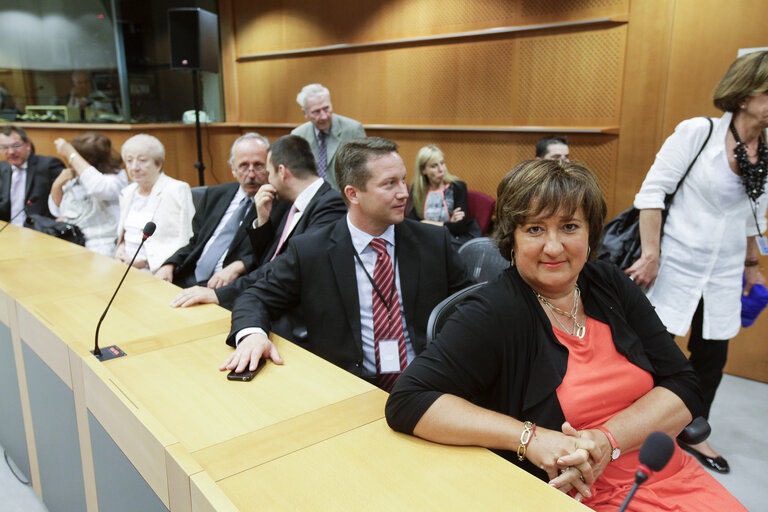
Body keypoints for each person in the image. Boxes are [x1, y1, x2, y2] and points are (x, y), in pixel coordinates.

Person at [386, 159, 746, 511]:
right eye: (535, 229)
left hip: (668, 474)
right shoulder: (494, 310)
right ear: (511, 238)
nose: (554, 247)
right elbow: (409, 401)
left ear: (591, 234)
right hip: (577, 493)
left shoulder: (610, 284)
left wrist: (608, 440)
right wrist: (528, 437)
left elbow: (684, 385)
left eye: (570, 227)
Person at [221, 137, 472, 390]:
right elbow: (255, 296)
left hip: (427, 384)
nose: (404, 193)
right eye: (389, 184)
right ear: (353, 194)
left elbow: (470, 304)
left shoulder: (433, 242)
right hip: (348, 386)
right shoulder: (312, 250)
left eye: (402, 180)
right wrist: (253, 335)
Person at [627, 50, 768, 474]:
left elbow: (753, 216)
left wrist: (752, 266)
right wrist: (650, 254)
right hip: (676, 263)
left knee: (711, 359)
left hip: (723, 271)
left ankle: (693, 432)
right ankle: (640, 429)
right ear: (744, 96)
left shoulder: (765, 152)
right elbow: (651, 195)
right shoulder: (698, 133)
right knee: (653, 352)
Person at [170, 134, 346, 309]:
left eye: (265, 170)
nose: (255, 175)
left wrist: (221, 294)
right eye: (244, 166)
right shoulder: (297, 203)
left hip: (284, 306)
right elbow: (270, 260)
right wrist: (262, 220)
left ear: (282, 172)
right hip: (251, 293)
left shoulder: (326, 205)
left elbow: (285, 266)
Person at [155, 133, 272, 288]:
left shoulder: (277, 203)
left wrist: (240, 264)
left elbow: (270, 252)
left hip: (227, 286)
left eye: (258, 165)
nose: (251, 174)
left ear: (270, 167)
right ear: (233, 169)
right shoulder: (215, 195)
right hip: (188, 277)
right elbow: (195, 242)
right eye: (243, 166)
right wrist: (170, 264)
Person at [114, 134, 194, 273]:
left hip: (158, 270)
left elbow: (187, 237)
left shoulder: (176, 190)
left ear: (158, 164)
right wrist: (120, 248)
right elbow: (126, 233)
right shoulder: (127, 193)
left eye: (142, 160)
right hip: (124, 266)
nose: (134, 167)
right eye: (129, 161)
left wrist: (146, 262)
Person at [48, 132, 127, 256]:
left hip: (105, 246)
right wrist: (57, 184)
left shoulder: (115, 177)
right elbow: (57, 211)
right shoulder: (72, 175)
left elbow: (98, 188)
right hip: (73, 240)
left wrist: (71, 154)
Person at [291, 83, 366, 189]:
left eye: (326, 108)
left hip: (344, 198)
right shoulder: (298, 135)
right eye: (316, 112)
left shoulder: (353, 129)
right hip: (313, 199)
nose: (324, 116)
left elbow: (362, 169)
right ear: (305, 113)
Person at [407, 144, 481, 248]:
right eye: (434, 166)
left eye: (442, 163)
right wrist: (448, 223)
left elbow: (459, 227)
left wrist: (425, 222)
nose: (441, 169)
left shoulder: (457, 187)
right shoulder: (417, 190)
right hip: (426, 241)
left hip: (450, 242)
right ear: (423, 170)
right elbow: (412, 224)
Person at [1, 125, 64, 227]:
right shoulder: (1, 169)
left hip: (40, 231)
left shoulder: (48, 166)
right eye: (4, 147)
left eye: (16, 146)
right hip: (8, 231)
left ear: (28, 146)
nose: (11, 152)